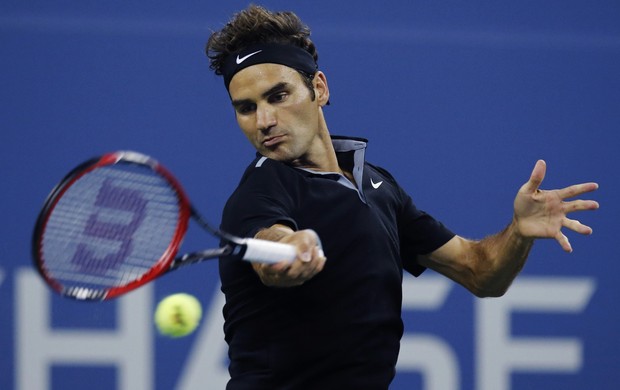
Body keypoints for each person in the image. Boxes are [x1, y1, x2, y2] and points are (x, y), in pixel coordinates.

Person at [205, 5, 599, 389]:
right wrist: (291, 250)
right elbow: (268, 246)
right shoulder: (260, 189)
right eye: (246, 108)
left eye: (278, 96)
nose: (264, 121)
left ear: (318, 89)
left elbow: (480, 272)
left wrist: (519, 231)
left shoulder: (378, 188)